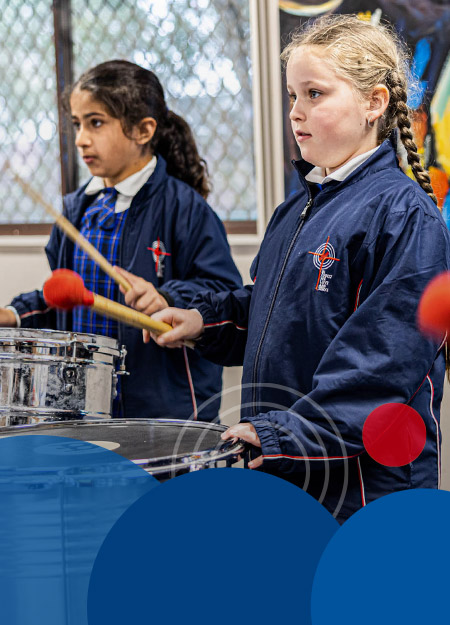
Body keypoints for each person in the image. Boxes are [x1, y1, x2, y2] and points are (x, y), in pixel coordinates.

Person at [149, 14, 450, 522]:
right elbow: (278, 313)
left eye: (315, 94)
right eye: (292, 96)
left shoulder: (403, 214)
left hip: (365, 488)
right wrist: (209, 321)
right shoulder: (297, 209)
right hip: (293, 466)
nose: (295, 112)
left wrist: (282, 433)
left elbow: (381, 363)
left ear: (374, 103)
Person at [0, 60, 242, 421]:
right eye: (77, 124)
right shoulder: (77, 211)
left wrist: (167, 297)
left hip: (162, 413)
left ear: (143, 130)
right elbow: (68, 298)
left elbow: (224, 294)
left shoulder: (185, 208)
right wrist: (13, 314)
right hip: (84, 406)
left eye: (96, 123)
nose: (81, 138)